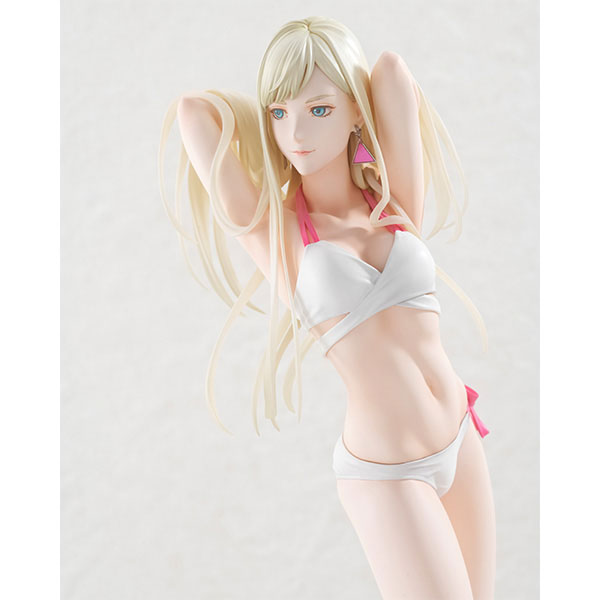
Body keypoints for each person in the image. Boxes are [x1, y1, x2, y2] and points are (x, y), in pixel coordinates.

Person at [159, 15, 496, 600]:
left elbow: (392, 72)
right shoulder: (279, 234)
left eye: (319, 110)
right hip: (388, 474)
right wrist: (278, 105)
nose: (296, 133)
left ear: (355, 111)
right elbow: (193, 112)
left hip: (460, 435)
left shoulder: (391, 201)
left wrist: (331, 78)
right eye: (279, 113)